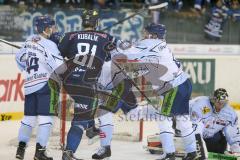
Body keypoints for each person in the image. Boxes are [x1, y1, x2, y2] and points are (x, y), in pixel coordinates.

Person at [114, 23, 198, 160]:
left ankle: (169, 154)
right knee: (183, 120)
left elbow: (127, 51)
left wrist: (113, 43)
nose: (144, 35)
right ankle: (192, 152)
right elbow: (147, 65)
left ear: (153, 35)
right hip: (184, 83)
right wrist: (132, 70)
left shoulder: (150, 43)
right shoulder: (159, 46)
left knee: (163, 119)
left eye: (146, 32)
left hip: (173, 88)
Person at [57, 10, 117, 160]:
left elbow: (58, 54)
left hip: (69, 81)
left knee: (87, 102)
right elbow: (110, 57)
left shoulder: (70, 35)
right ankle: (69, 153)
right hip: (86, 83)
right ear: (96, 23)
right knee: (80, 119)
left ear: (83, 21)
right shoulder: (106, 37)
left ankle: (91, 127)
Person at [15, 15, 63, 160]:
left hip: (29, 85)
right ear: (46, 28)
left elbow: (19, 60)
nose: (53, 29)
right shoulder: (50, 45)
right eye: (52, 27)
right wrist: (57, 49)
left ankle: (20, 150)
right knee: (46, 119)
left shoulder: (29, 40)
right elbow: (58, 68)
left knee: (28, 119)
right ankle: (40, 152)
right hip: (46, 85)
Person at [190, 88, 240, 154]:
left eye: (223, 103)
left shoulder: (229, 113)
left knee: (220, 148)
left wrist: (237, 150)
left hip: (211, 136)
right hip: (194, 135)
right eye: (219, 102)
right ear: (214, 100)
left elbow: (233, 132)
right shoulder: (200, 105)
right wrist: (198, 146)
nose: (221, 105)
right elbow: (195, 126)